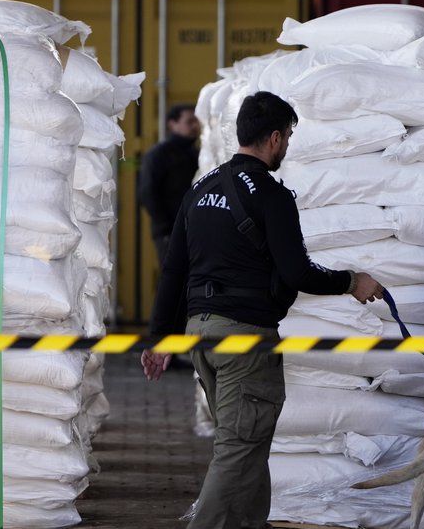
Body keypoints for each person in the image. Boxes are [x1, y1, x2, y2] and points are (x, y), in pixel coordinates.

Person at [141, 91, 384, 529]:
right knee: (238, 446)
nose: (286, 145)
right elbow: (297, 272)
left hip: (200, 334)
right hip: (244, 339)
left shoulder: (200, 189)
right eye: (287, 136)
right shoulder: (271, 195)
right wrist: (351, 282)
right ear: (274, 137)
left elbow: (174, 270)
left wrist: (159, 337)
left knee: (246, 443)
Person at [139, 103, 202, 266]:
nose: (195, 126)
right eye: (189, 121)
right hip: (170, 232)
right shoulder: (159, 154)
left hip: (195, 230)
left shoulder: (197, 155)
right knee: (174, 275)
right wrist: (166, 227)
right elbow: (147, 193)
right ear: (172, 124)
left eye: (196, 121)